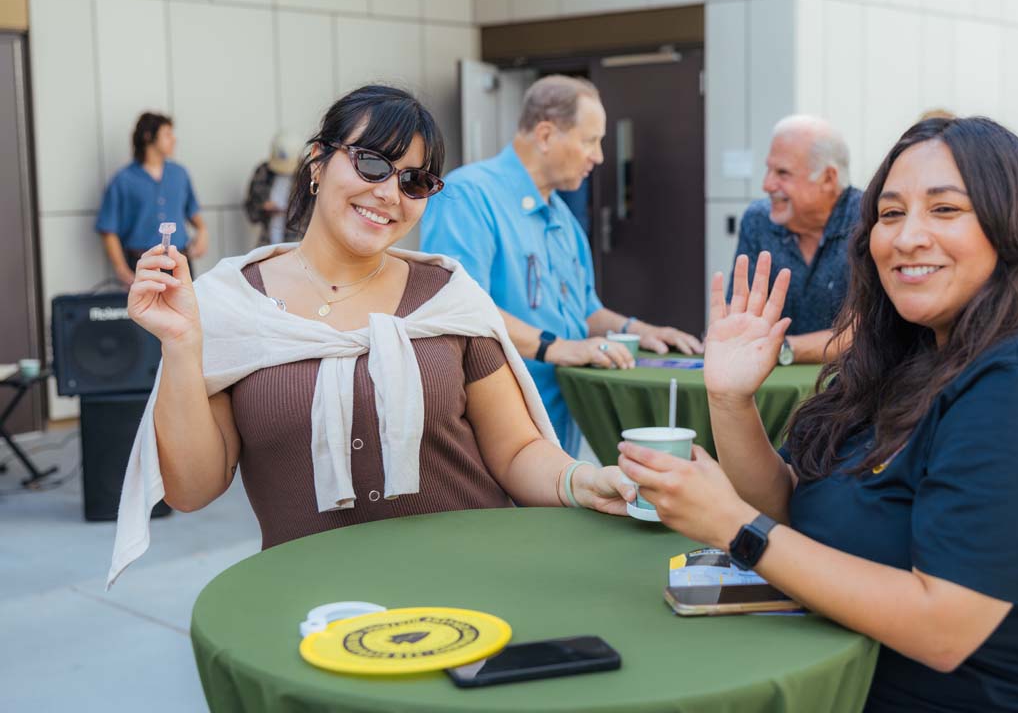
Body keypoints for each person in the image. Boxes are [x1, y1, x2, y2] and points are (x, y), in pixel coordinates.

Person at [621, 117, 1018, 711]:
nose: (907, 237)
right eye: (891, 213)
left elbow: (942, 625)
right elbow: (784, 502)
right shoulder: (908, 354)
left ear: (1013, 230)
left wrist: (735, 529)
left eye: (945, 210)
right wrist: (729, 398)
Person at [109, 85, 632, 586]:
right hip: (313, 608)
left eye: (415, 181)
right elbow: (193, 489)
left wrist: (579, 480)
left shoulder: (448, 297)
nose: (388, 193)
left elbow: (516, 450)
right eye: (372, 163)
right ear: (317, 162)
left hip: (472, 589)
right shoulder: (231, 304)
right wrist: (180, 347)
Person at [420, 75, 703, 456]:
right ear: (546, 134)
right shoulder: (466, 195)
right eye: (590, 140)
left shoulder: (564, 220)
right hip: (494, 431)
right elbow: (459, 307)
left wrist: (641, 329)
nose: (599, 156)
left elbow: (585, 311)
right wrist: (556, 348)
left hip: (558, 428)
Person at [732, 115, 860, 363]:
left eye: (782, 173)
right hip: (767, 388)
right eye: (768, 169)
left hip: (853, 390)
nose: (767, 184)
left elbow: (870, 333)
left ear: (828, 178)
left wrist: (783, 348)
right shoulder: (758, 220)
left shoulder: (869, 220)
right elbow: (739, 318)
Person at [96, 112, 208, 286]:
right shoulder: (123, 180)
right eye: (167, 134)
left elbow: (193, 210)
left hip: (179, 262)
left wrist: (202, 232)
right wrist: (122, 270)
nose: (174, 140)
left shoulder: (180, 174)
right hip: (143, 265)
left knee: (185, 311)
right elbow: (108, 229)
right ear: (148, 136)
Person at [244, 130, 306, 246]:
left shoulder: (308, 176)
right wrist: (263, 206)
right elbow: (251, 209)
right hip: (267, 240)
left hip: (297, 242)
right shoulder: (263, 172)